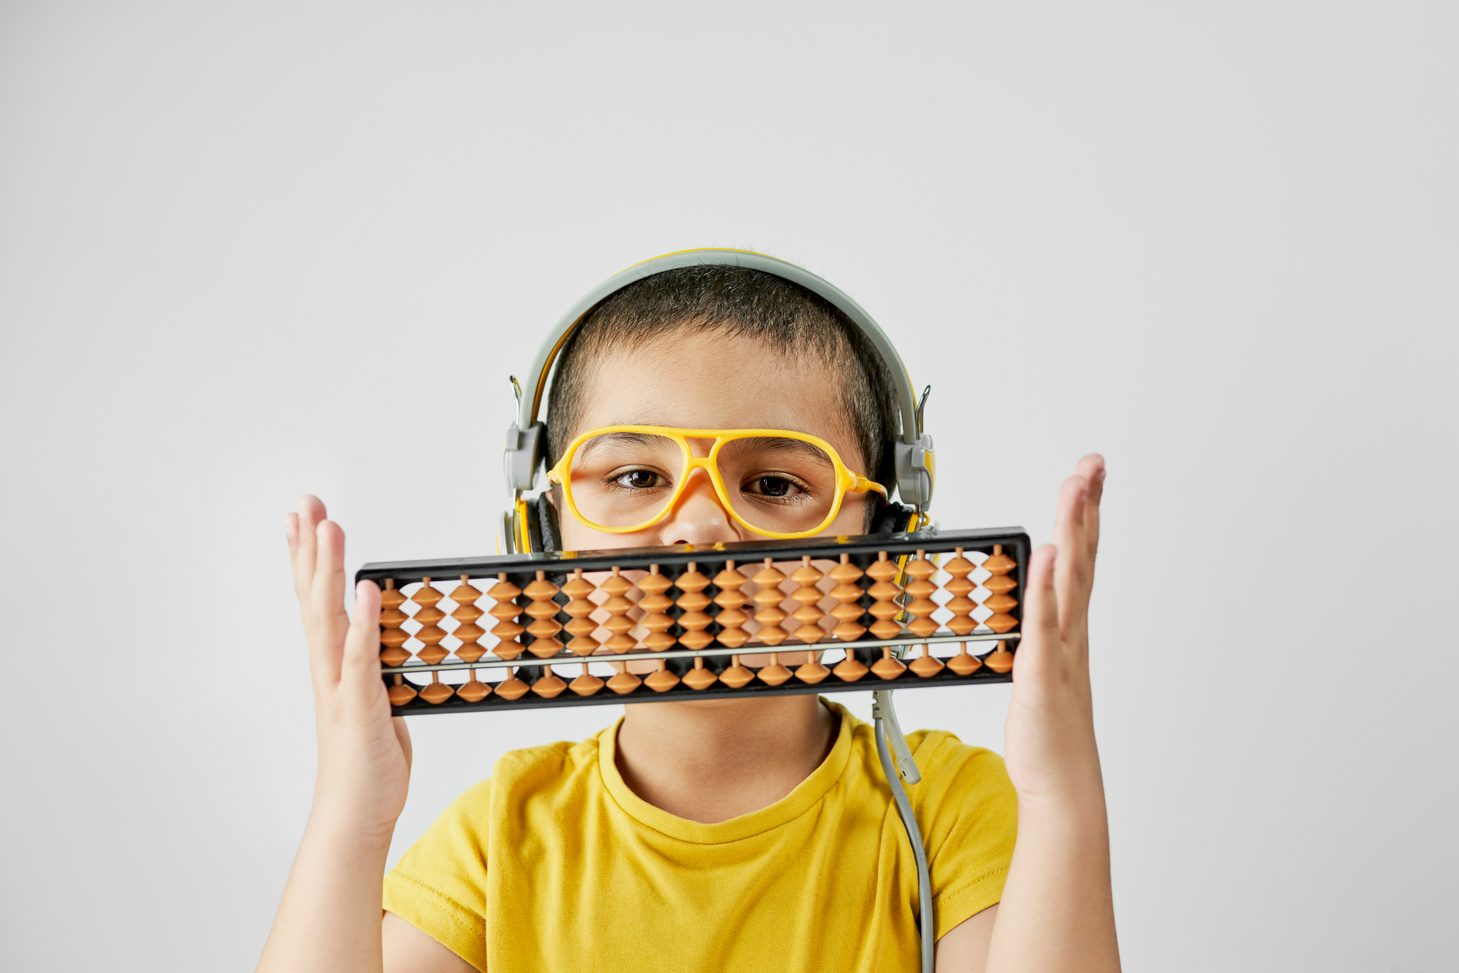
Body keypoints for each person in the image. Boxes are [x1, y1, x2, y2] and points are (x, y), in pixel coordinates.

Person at [257, 261, 1120, 973]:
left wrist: (1062, 796)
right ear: (545, 531)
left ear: (882, 538)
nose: (700, 527)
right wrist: (351, 811)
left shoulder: (947, 810)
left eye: (775, 484)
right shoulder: (503, 834)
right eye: (633, 477)